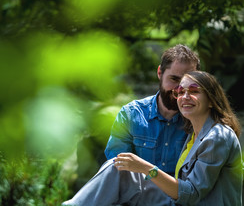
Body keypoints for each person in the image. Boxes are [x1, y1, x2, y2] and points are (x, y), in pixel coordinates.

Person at [62, 44, 200, 206]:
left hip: (179, 199)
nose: (179, 89)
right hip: (137, 195)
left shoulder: (198, 120)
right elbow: (118, 171)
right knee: (116, 165)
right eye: (174, 79)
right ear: (159, 73)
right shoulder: (132, 114)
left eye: (186, 82)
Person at [114, 71, 244, 205]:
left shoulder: (217, 137)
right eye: (180, 92)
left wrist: (146, 168)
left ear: (211, 101)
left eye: (194, 91)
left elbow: (191, 194)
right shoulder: (193, 134)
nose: (185, 96)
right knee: (112, 172)